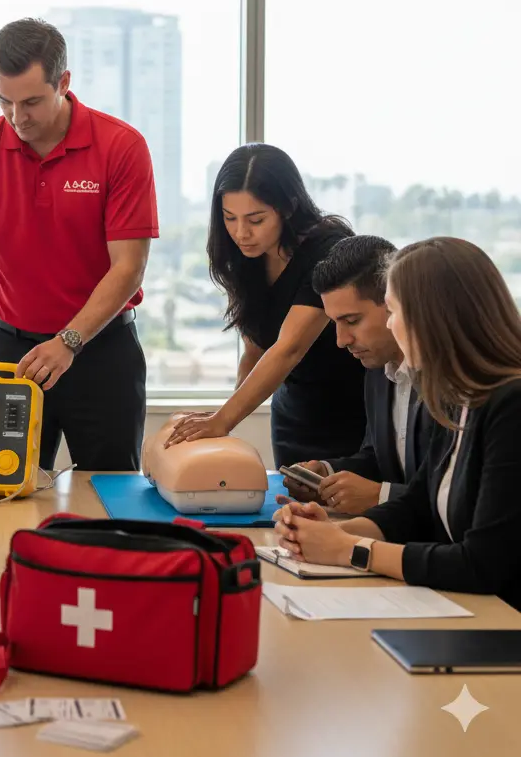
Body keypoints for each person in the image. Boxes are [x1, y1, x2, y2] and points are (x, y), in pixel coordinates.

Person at [0, 18, 158, 471]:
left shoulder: (121, 147)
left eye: (32, 102)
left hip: (101, 352)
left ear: (64, 82)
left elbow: (128, 267)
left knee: (108, 500)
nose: (18, 118)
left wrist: (69, 341)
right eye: (5, 102)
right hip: (7, 351)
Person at [275, 238, 521, 611]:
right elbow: (418, 506)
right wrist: (330, 533)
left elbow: (483, 564)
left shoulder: (511, 404)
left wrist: (353, 551)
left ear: (433, 316)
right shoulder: (458, 398)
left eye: (392, 311)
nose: (391, 325)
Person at [166, 144, 366, 468]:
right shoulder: (247, 258)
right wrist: (225, 416)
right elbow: (255, 350)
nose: (241, 233)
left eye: (256, 219)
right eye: (230, 218)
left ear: (288, 207)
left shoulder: (327, 251)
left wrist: (223, 420)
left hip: (349, 413)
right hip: (292, 415)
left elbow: (289, 348)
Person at [282, 235, 433, 514]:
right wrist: (327, 474)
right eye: (335, 323)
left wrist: (383, 496)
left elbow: (457, 495)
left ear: (394, 303)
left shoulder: (452, 378)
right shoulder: (376, 370)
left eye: (351, 321)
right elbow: (379, 457)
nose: (341, 340)